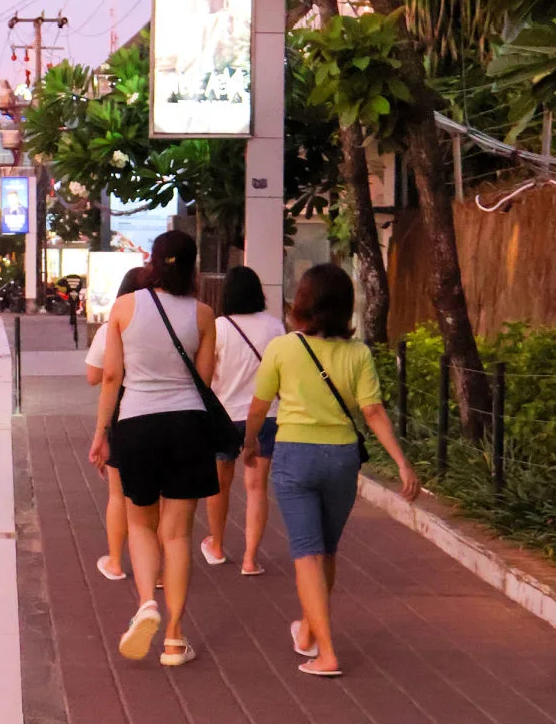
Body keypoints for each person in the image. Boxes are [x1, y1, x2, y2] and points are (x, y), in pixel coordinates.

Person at [243, 264, 420, 678]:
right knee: (326, 551)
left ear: (305, 302)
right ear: (345, 307)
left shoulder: (283, 349)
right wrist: (401, 461)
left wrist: (250, 442)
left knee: (306, 553)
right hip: (341, 458)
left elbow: (258, 406)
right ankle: (306, 630)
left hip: (294, 457)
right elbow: (372, 412)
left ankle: (327, 652)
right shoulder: (357, 353)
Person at [88, 231, 218, 667]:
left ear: (153, 261)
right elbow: (204, 381)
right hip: (187, 426)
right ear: (192, 266)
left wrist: (101, 432)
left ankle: (147, 603)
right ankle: (176, 640)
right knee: (178, 534)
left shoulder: (124, 308)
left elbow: (110, 378)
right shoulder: (203, 315)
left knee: (140, 524)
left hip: (136, 424)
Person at [202, 266, 285, 574]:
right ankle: (251, 559)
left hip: (225, 417)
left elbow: (207, 376)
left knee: (219, 485)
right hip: (265, 416)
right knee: (256, 487)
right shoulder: (275, 327)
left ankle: (218, 546)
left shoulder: (219, 327)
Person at [85, 266, 149, 583]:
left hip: (121, 414)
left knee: (118, 495)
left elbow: (94, 376)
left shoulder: (113, 325)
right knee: (160, 498)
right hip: (163, 415)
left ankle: (115, 561)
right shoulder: (169, 324)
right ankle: (158, 569)